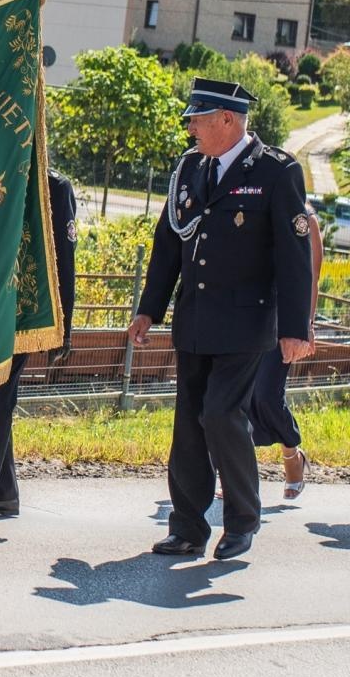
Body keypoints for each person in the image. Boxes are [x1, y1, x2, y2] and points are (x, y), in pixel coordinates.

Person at [129, 77, 313, 561]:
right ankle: (188, 529)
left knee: (221, 415)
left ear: (227, 119)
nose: (191, 129)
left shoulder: (276, 171)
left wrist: (296, 329)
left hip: (246, 325)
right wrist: (149, 308)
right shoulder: (190, 168)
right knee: (190, 425)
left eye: (198, 120)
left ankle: (242, 522)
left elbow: (294, 256)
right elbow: (168, 243)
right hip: (195, 320)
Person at [0, 168, 77, 524]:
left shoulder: (54, 186)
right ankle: (5, 494)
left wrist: (64, 326)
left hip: (25, 312)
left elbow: (64, 258)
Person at [244, 205, 320, 500]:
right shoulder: (257, 207)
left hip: (285, 322)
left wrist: (306, 325)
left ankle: (292, 453)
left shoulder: (306, 220)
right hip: (247, 314)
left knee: (265, 394)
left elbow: (311, 278)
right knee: (239, 394)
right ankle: (235, 473)